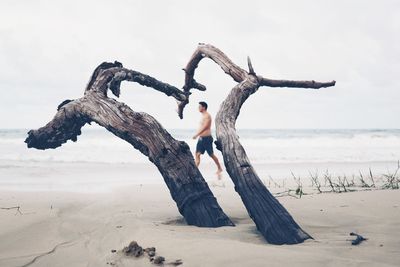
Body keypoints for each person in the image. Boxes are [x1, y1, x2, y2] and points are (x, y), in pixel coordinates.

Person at [192, 101, 223, 175]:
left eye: (199, 107)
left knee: (211, 154)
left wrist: (197, 134)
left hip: (206, 138)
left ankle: (219, 168)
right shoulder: (203, 115)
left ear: (204, 107)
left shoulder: (207, 116)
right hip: (201, 138)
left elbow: (206, 127)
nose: (198, 108)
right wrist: (199, 135)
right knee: (197, 154)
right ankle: (195, 171)